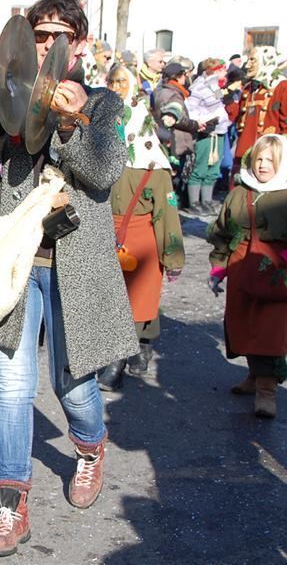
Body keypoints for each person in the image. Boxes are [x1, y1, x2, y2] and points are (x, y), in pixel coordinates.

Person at [0, 0, 135, 557]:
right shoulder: (3, 95)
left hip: (75, 265)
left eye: (60, 35)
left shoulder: (104, 104)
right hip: (14, 260)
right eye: (38, 34)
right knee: (10, 384)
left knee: (74, 384)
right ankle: (11, 505)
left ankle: (89, 447)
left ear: (79, 46)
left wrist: (66, 120)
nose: (48, 44)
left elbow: (103, 173)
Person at [207, 135, 287, 418]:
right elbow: (223, 231)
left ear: (283, 163)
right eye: (258, 159)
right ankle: (254, 376)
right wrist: (219, 266)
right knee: (244, 323)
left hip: (279, 273)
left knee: (271, 329)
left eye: (270, 160)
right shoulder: (239, 191)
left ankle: (267, 390)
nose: (261, 165)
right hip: (241, 267)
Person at [104, 64, 184, 387]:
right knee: (112, 300)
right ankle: (135, 347)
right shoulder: (104, 158)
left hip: (140, 239)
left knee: (137, 299)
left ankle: (118, 363)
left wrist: (173, 256)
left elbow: (167, 214)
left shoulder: (153, 166)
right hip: (107, 234)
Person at [227, 47, 287, 182]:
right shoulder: (248, 88)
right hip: (244, 155)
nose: (247, 65)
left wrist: (282, 155)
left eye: (253, 60)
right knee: (239, 198)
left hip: (268, 158)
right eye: (247, 60)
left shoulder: (282, 87)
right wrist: (226, 95)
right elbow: (237, 116)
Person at [185, 58, 230, 214]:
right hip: (205, 133)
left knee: (213, 168)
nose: (226, 73)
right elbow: (190, 108)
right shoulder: (199, 86)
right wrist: (201, 121)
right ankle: (194, 202)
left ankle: (207, 200)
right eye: (223, 70)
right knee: (200, 167)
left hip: (219, 131)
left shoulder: (215, 86)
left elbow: (219, 103)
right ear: (215, 70)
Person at [153, 62, 200, 205]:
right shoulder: (174, 94)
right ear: (179, 77)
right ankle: (173, 213)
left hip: (165, 138)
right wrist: (195, 124)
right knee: (174, 182)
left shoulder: (161, 90)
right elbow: (173, 119)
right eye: (184, 75)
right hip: (175, 141)